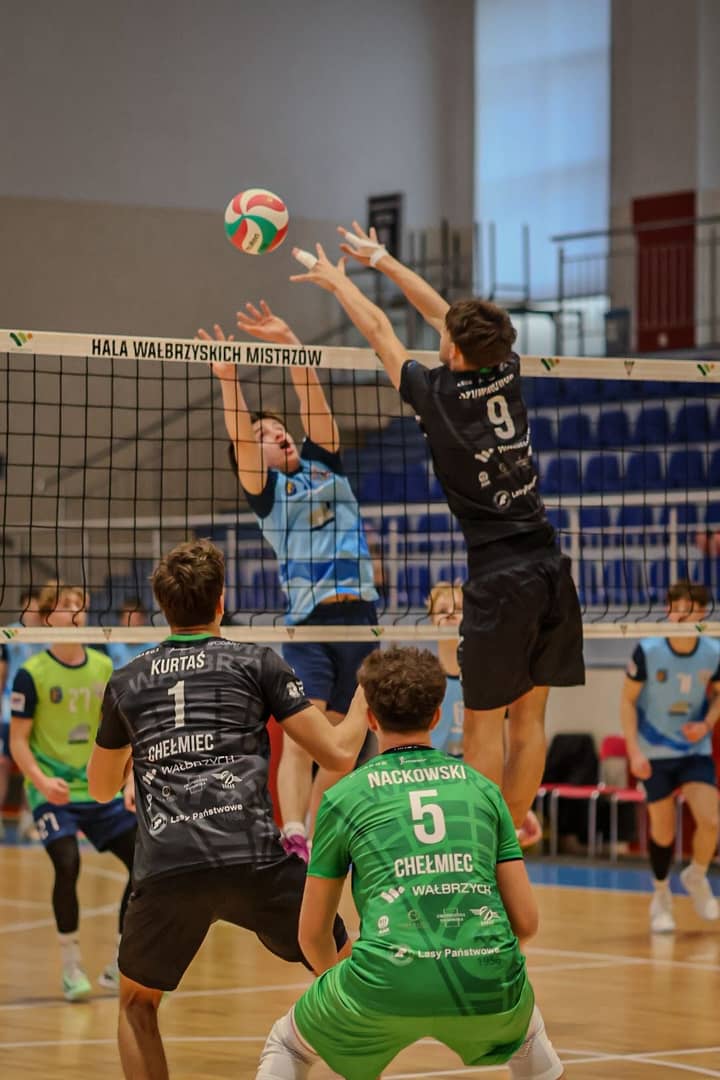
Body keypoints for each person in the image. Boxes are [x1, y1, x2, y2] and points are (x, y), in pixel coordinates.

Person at [290, 229, 585, 845]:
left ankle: (477, 848)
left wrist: (340, 281)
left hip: (499, 577)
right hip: (550, 564)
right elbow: (444, 317)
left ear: (452, 350)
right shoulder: (505, 369)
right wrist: (383, 260)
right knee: (530, 721)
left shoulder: (438, 395)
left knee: (482, 724)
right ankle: (506, 845)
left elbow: (380, 330)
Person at [87, 539, 369, 1080]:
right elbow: (337, 752)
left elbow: (100, 788)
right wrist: (363, 696)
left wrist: (142, 756)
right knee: (342, 970)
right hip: (252, 856)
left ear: (163, 608)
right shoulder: (256, 662)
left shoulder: (127, 681)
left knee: (136, 1004)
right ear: (221, 601)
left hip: (168, 862)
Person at [256, 645, 564, 1080]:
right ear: (437, 717)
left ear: (370, 719)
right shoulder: (483, 790)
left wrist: (345, 990)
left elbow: (312, 934)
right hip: (486, 979)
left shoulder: (343, 798)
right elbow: (526, 923)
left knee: (288, 1044)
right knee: (530, 1041)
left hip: (382, 981)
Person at [199, 301, 379, 858]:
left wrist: (290, 344)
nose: (277, 433)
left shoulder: (328, 463)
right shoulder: (268, 494)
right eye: (264, 433)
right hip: (310, 623)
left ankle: (318, 838)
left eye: (279, 427)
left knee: (346, 746)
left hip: (361, 617)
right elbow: (241, 435)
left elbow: (312, 398)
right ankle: (294, 830)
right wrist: (229, 381)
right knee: (307, 735)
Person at [9, 581, 137, 1001]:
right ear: (49, 617)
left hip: (99, 790)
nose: (77, 611)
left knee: (144, 862)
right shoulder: (32, 674)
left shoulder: (104, 667)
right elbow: (18, 741)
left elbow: (123, 735)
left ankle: (120, 964)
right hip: (54, 794)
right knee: (67, 863)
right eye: (67, 605)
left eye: (81, 604)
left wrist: (129, 781)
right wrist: (42, 782)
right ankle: (70, 967)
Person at [621, 579, 720, 934]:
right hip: (653, 751)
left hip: (693, 749)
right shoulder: (647, 650)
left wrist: (706, 723)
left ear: (702, 613)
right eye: (676, 609)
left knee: (711, 820)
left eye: (689, 610)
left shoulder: (713, 651)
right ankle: (661, 896)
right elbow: (627, 701)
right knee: (662, 830)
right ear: (667, 610)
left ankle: (696, 874)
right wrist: (633, 751)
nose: (681, 615)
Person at [0, 588, 44, 840]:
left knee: (34, 765)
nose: (31, 611)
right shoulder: (9, 634)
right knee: (3, 763)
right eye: (27, 606)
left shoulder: (50, 634)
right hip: (10, 710)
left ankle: (31, 820)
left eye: (35, 606)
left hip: (38, 711)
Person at [106, 598, 157, 670]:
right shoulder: (110, 645)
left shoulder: (155, 647)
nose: (132, 624)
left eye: (136, 619)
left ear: (143, 620)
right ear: (121, 621)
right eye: (128, 619)